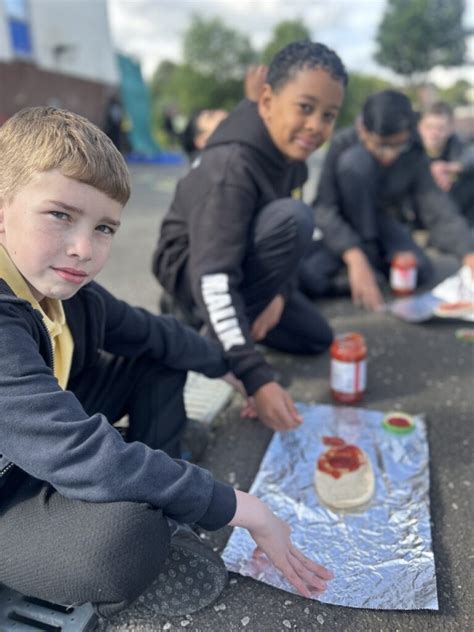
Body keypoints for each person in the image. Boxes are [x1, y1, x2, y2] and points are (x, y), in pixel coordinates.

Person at [0, 107, 334, 621]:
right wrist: (240, 507)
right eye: (60, 215)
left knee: (159, 359)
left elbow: (156, 333)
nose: (84, 248)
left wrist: (238, 372)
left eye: (105, 226)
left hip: (44, 440)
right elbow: (77, 450)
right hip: (8, 487)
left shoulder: (68, 290)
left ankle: (157, 474)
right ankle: (152, 493)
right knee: (122, 543)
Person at [153, 41, 347, 432]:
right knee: (293, 218)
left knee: (316, 337)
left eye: (329, 115)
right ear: (267, 100)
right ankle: (206, 335)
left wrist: (278, 294)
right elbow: (214, 277)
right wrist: (256, 376)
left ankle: (230, 333)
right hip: (196, 273)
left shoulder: (293, 162)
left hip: (240, 261)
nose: (316, 126)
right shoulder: (231, 166)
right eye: (305, 108)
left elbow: (287, 251)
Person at [298, 90, 474, 311]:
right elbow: (324, 208)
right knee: (309, 277)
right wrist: (354, 255)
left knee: (418, 272)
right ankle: (362, 268)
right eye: (381, 145)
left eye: (398, 146)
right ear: (363, 130)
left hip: (383, 225)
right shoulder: (344, 143)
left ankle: (369, 269)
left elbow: (436, 207)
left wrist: (469, 253)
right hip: (345, 229)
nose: (390, 154)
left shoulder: (414, 150)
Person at [179, 64, 268, 161]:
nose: (220, 112)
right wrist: (253, 100)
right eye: (211, 116)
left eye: (214, 111)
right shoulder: (220, 168)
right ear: (202, 140)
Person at [418, 101, 474, 227]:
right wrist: (427, 171)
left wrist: (453, 167)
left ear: (450, 129)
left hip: (452, 202)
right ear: (420, 126)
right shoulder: (410, 146)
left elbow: (471, 156)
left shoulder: (457, 143)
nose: (434, 133)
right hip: (421, 206)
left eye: (440, 128)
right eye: (429, 127)